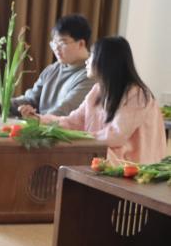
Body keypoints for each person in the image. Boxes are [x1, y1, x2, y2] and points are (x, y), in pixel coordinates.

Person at [39, 36, 165, 164]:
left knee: (67, 156)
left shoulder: (137, 94)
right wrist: (40, 120)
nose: (87, 61)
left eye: (92, 55)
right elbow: (73, 122)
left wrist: (81, 138)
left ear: (108, 61)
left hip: (133, 168)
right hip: (105, 159)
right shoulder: (97, 90)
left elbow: (115, 137)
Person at [10, 14, 95, 117]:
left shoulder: (91, 74)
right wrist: (7, 102)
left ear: (81, 43)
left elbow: (66, 112)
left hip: (62, 130)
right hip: (41, 126)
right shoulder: (52, 69)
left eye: (62, 43)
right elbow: (31, 100)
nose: (56, 48)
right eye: (54, 43)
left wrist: (37, 119)